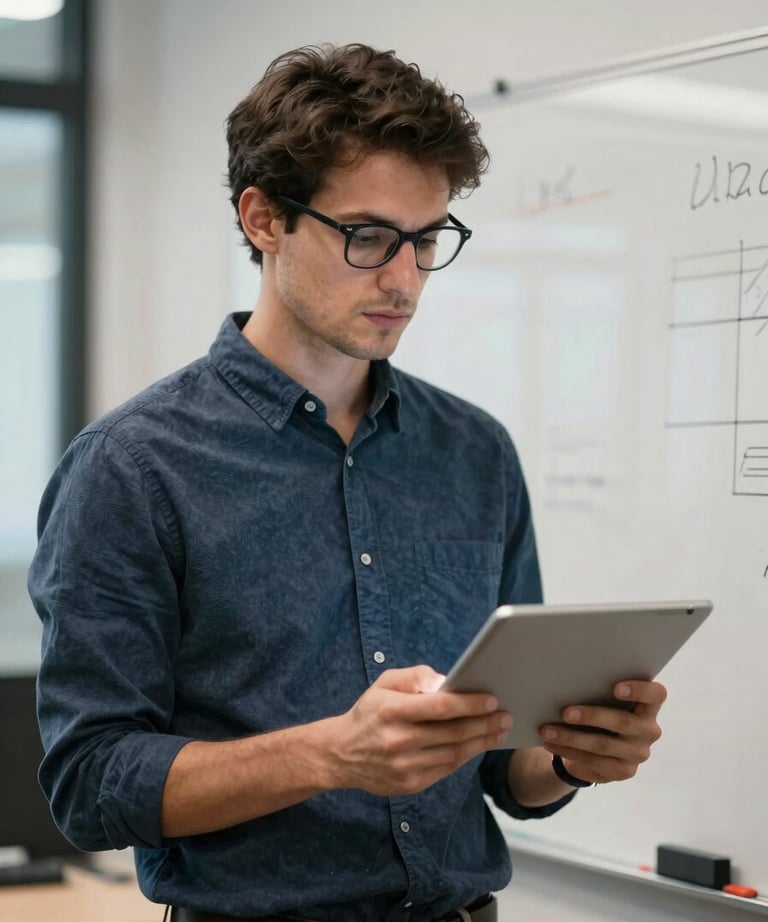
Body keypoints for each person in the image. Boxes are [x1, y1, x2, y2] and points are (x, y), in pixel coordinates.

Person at [28, 43, 666, 922]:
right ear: (263, 219)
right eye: (367, 237)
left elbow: (500, 764)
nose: (403, 279)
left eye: (427, 240)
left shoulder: (476, 453)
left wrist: (565, 758)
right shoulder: (132, 468)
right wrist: (332, 755)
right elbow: (91, 783)